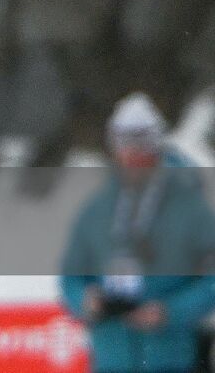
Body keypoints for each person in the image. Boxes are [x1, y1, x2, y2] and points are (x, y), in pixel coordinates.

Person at [60, 92, 215, 373]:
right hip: (111, 360)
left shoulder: (190, 208)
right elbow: (71, 277)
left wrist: (170, 313)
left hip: (171, 360)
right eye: (123, 144)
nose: (131, 155)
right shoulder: (97, 209)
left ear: (156, 147)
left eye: (140, 145)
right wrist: (86, 300)